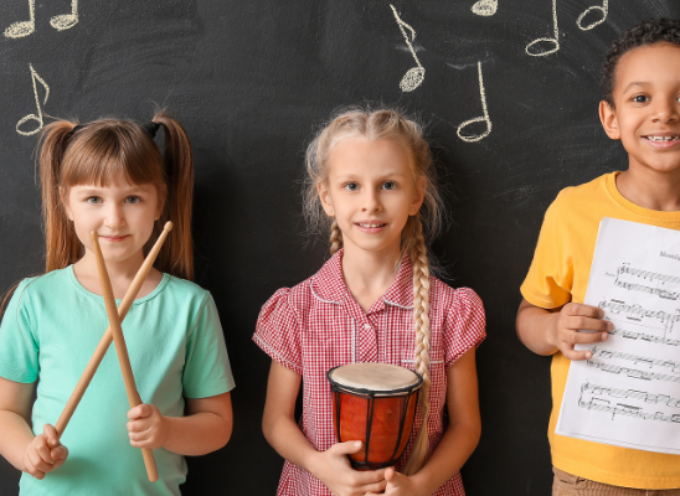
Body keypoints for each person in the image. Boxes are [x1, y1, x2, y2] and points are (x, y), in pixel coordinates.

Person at [254, 108, 486, 496]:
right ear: (326, 197)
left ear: (417, 196)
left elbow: (466, 425)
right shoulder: (296, 309)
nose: (371, 203)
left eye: (389, 185)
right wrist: (320, 466)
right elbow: (276, 420)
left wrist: (419, 485)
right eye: (351, 186)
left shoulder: (450, 311)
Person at [0, 112, 235, 496]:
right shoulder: (35, 299)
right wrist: (27, 451)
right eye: (93, 198)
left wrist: (167, 430)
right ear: (66, 203)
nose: (114, 218)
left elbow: (217, 424)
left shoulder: (190, 307)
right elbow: (4, 411)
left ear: (160, 202)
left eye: (132, 198)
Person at [516, 18, 680, 495]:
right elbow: (530, 314)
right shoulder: (575, 211)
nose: (664, 114)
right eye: (641, 98)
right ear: (611, 118)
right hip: (593, 470)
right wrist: (553, 329)